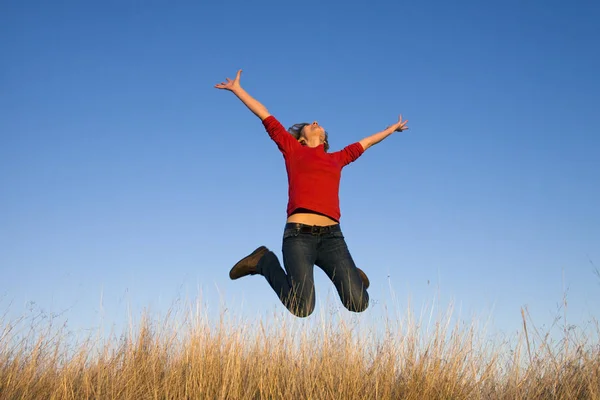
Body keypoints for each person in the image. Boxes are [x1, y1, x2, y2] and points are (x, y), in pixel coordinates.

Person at [215, 70, 408, 317]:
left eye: (318, 124)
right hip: (298, 238)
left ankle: (350, 276)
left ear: (324, 139)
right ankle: (263, 261)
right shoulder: (293, 150)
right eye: (308, 124)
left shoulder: (337, 158)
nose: (315, 123)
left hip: (332, 239)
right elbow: (266, 116)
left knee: (359, 303)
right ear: (303, 138)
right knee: (302, 308)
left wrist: (390, 130)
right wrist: (238, 90)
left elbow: (366, 143)